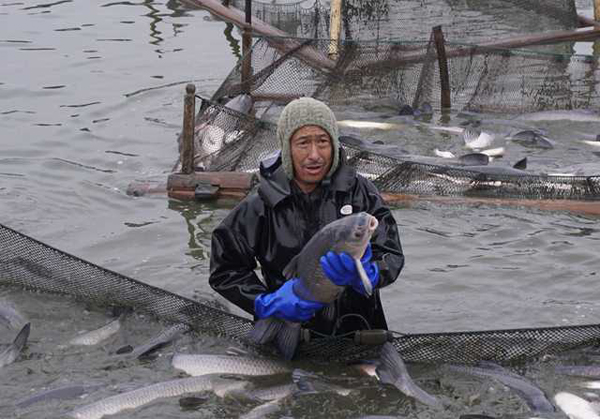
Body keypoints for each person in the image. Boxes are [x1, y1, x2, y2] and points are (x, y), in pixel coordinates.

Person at [209, 97, 404, 339]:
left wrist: (370, 271)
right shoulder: (260, 204)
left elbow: (392, 254)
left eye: (323, 142)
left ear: (334, 144)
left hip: (361, 331)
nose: (315, 154)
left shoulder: (360, 191)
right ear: (287, 148)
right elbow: (225, 270)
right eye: (303, 143)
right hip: (290, 332)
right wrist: (263, 302)